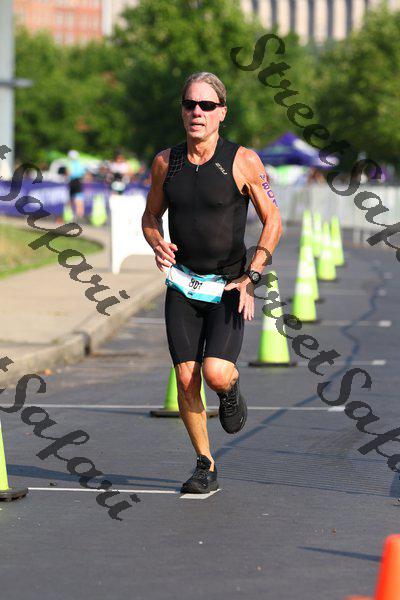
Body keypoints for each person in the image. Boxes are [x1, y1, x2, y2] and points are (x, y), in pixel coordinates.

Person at [142, 72, 282, 494]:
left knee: (215, 373)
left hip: (228, 286)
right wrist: (156, 242)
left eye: (206, 105)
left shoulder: (243, 160)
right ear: (182, 110)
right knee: (187, 378)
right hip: (183, 286)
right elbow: (150, 216)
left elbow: (273, 220)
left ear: (222, 112)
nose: (197, 113)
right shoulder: (166, 162)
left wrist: (252, 276)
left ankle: (231, 388)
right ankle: (205, 463)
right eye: (190, 104)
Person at [67, 150, 86, 219]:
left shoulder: (70, 163)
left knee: (71, 198)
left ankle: (71, 214)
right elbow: (83, 173)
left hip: (73, 181)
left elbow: (69, 173)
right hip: (79, 181)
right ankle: (80, 213)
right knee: (79, 197)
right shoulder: (80, 163)